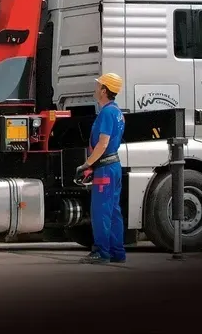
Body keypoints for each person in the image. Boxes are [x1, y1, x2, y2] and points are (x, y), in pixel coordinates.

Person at [77, 71, 126, 264]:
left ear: (104, 91)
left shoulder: (106, 113)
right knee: (113, 210)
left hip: (105, 168)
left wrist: (87, 164)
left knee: (101, 211)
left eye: (98, 86)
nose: (95, 88)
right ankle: (117, 252)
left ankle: (102, 252)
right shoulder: (117, 112)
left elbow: (103, 143)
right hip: (113, 166)